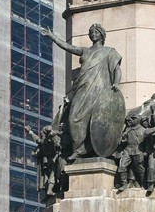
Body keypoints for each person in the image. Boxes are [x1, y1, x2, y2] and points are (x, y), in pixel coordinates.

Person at [43, 23, 125, 161]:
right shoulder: (85, 51)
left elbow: (117, 69)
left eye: (96, 32)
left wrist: (116, 83)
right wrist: (53, 37)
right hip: (83, 88)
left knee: (96, 120)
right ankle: (78, 148)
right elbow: (68, 47)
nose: (93, 35)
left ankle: (85, 150)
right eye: (91, 33)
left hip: (100, 89)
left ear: (102, 35)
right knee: (73, 118)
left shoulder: (109, 52)